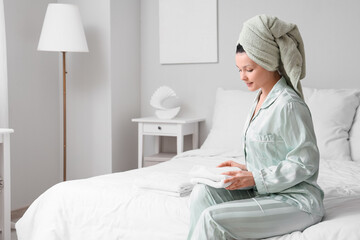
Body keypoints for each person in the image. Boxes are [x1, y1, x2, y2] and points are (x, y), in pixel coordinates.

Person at [187, 15, 325, 240]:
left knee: (212, 218)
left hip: (295, 201)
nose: (242, 77)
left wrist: (254, 178)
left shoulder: (288, 104)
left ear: (269, 62)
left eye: (249, 69)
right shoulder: (260, 98)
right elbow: (276, 153)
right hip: (265, 190)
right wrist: (246, 168)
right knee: (201, 194)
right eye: (238, 69)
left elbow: (305, 162)